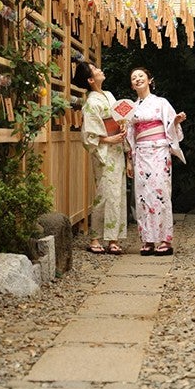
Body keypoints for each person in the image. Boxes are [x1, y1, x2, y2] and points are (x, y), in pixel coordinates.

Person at [126, 67, 186, 256]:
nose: (137, 79)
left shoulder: (161, 103)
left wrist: (175, 122)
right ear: (131, 84)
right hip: (141, 153)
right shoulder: (131, 108)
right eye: (134, 78)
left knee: (160, 192)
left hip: (159, 151)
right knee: (142, 196)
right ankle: (148, 240)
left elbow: (172, 129)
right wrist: (129, 159)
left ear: (150, 80)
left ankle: (165, 240)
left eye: (141, 76)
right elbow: (129, 135)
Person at [72, 61, 127, 254]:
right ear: (90, 79)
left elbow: (121, 117)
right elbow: (89, 134)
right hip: (105, 150)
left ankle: (113, 240)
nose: (100, 70)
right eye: (95, 70)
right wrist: (108, 138)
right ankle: (95, 239)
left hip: (117, 149)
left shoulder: (109, 96)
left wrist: (122, 126)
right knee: (104, 194)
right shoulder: (91, 102)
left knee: (117, 194)